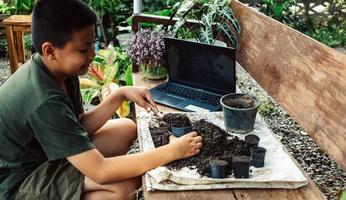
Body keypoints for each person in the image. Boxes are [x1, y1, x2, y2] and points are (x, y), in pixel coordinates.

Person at [0, 0, 203, 199]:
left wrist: (119, 94)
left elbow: (77, 125)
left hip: (48, 155)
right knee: (126, 187)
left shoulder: (59, 70)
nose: (92, 54)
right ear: (50, 50)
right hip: (20, 182)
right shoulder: (43, 99)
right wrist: (173, 151)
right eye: (83, 49)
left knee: (125, 128)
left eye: (92, 45)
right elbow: (101, 171)